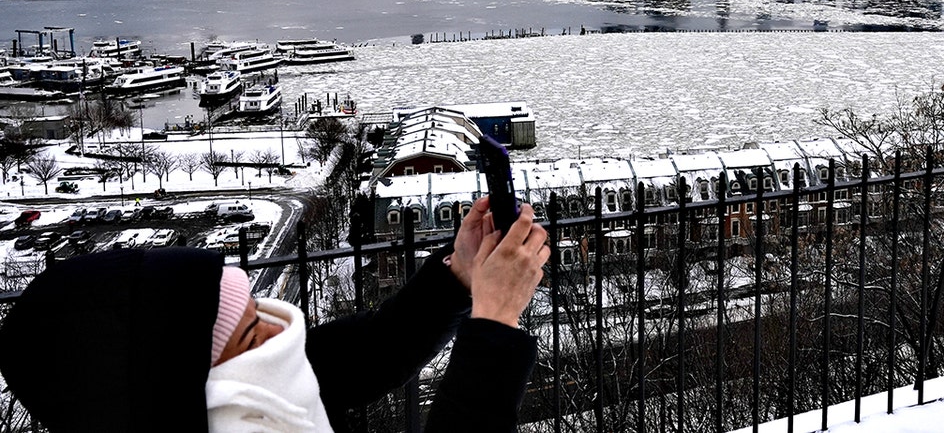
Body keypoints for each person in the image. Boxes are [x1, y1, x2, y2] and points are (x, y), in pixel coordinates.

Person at [0, 198, 549, 432]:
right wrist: (494, 322)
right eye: (249, 331)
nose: (278, 331)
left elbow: (362, 358)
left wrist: (457, 280)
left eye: (255, 305)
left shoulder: (248, 399)